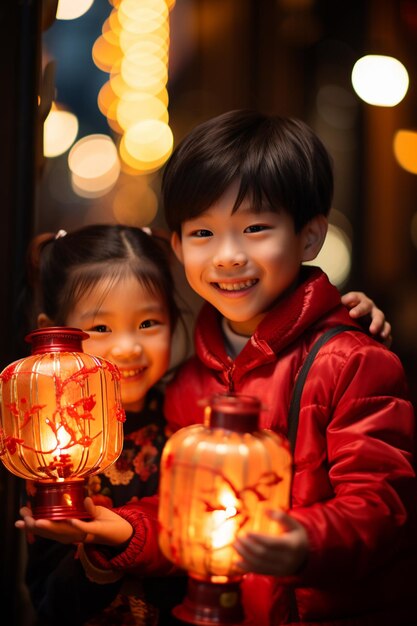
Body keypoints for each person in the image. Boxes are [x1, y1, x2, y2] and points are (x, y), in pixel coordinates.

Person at [17, 110, 413, 626]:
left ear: (309, 237)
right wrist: (126, 531)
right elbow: (187, 512)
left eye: (254, 228)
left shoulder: (351, 359)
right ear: (178, 245)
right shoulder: (189, 381)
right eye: (204, 232)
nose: (227, 256)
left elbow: (384, 501)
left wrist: (301, 540)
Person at [18, 224, 188, 626]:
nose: (128, 346)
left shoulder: (187, 418)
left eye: (148, 324)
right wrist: (96, 557)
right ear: (52, 331)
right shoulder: (46, 442)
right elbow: (49, 599)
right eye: (100, 328)